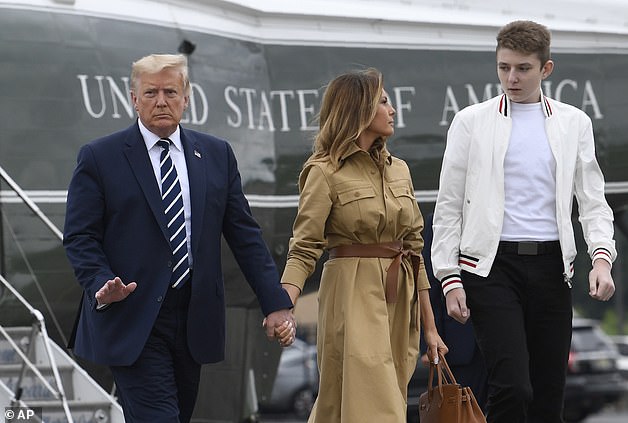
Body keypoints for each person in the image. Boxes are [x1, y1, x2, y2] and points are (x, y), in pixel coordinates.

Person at [63, 53, 295, 423]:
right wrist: (100, 282)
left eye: (170, 92)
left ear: (186, 98)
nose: (161, 101)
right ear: (133, 98)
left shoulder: (217, 155)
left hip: (194, 320)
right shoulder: (99, 157)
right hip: (132, 316)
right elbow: (79, 236)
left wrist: (276, 302)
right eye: (150, 92)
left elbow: (245, 236)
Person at [431, 20, 617, 423]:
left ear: (545, 69)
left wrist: (601, 258)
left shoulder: (574, 123)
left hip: (553, 268)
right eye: (503, 67)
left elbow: (593, 200)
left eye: (522, 69)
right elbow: (448, 207)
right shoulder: (470, 122)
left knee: (550, 395)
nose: (511, 78)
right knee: (513, 387)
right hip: (490, 268)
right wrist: (449, 278)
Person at [279, 68, 448, 423]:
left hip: (400, 296)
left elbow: (415, 251)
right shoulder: (323, 171)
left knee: (347, 407)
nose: (393, 110)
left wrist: (431, 328)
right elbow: (304, 247)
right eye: (384, 101)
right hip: (351, 293)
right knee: (377, 407)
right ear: (359, 110)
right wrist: (283, 306)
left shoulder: (400, 169)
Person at [420, 213, 488, 411]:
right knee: (459, 412)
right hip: (457, 344)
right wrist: (430, 337)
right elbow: (429, 287)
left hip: (503, 337)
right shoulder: (441, 220)